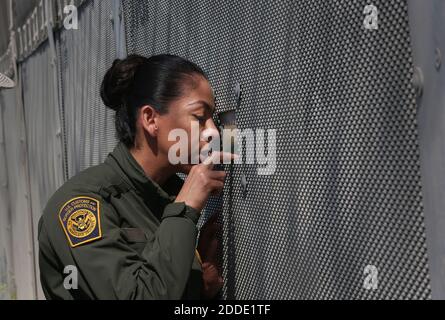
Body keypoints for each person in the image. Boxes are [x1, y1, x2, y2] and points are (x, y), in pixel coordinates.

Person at [38, 54, 236, 299]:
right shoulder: (82, 204)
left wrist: (196, 276)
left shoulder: (164, 195)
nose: (213, 132)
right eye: (199, 118)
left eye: (213, 119)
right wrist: (184, 211)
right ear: (151, 119)